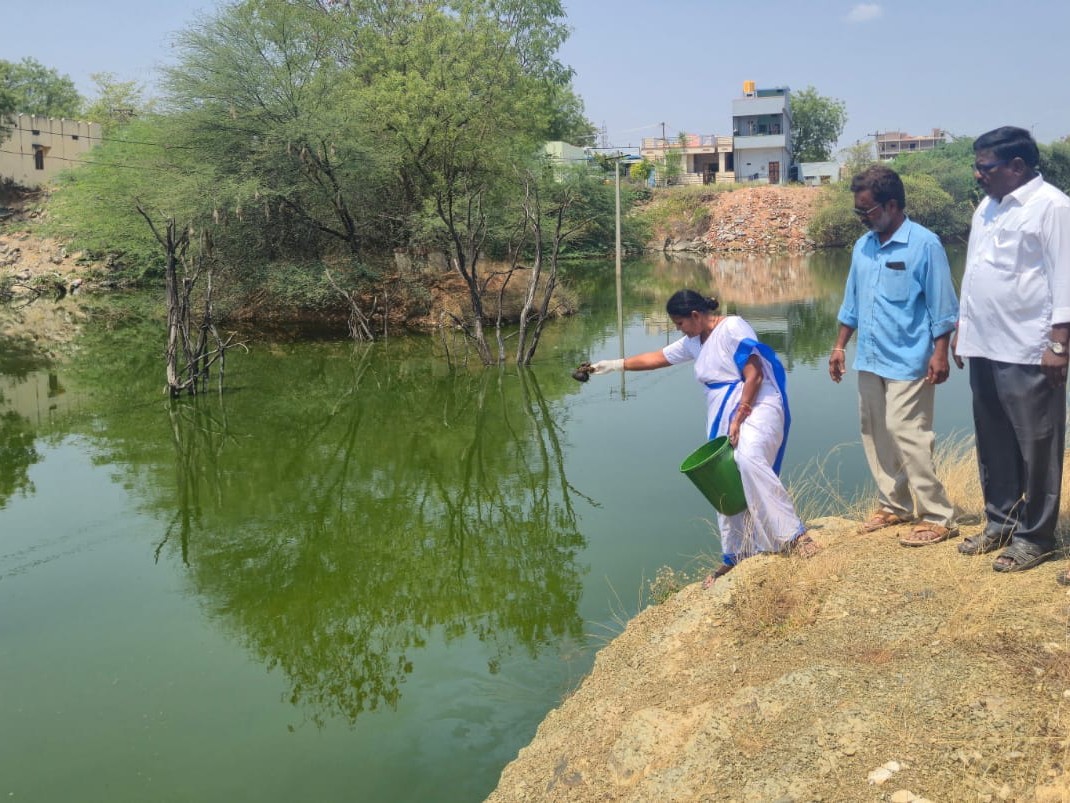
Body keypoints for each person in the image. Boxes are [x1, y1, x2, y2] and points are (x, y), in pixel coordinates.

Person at [588, 289, 817, 583]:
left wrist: (740, 415)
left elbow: (755, 374)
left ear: (695, 316)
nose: (678, 330)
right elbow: (658, 358)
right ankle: (737, 554)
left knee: (748, 458)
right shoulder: (695, 341)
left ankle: (794, 536)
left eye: (680, 323)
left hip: (756, 401)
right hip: (722, 409)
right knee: (722, 477)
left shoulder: (732, 327)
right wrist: (613, 365)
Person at [951, 126, 1070, 576]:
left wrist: (1059, 343)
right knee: (993, 442)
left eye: (986, 167)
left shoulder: (1053, 207)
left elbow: (1066, 277)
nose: (978, 175)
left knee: (1037, 446)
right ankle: (1000, 522)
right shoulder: (987, 207)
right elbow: (976, 270)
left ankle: (1036, 537)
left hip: (1029, 347)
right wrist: (964, 328)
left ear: (1017, 167)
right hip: (985, 343)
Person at [829, 165, 961, 547]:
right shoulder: (863, 245)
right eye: (858, 211)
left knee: (908, 433)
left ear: (891, 205)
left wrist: (940, 353)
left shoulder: (925, 244)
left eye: (865, 211)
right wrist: (840, 345)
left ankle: (938, 515)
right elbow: (851, 301)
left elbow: (942, 306)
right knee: (876, 432)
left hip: (910, 359)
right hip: (870, 357)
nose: (861, 219)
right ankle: (894, 505)